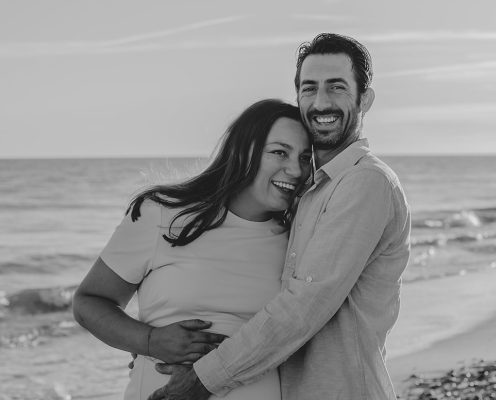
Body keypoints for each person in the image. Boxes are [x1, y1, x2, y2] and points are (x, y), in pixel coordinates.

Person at [149, 33, 411, 400]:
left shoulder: (365, 182)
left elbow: (305, 304)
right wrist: (162, 345)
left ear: (364, 99)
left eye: (337, 87)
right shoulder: (307, 189)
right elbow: (266, 297)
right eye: (309, 88)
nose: (321, 102)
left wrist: (201, 380)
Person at [72, 99, 313, 400]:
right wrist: (149, 340)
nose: (296, 169)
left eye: (305, 158)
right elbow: (89, 302)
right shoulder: (163, 214)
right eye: (280, 152)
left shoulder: (299, 240)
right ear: (243, 151)